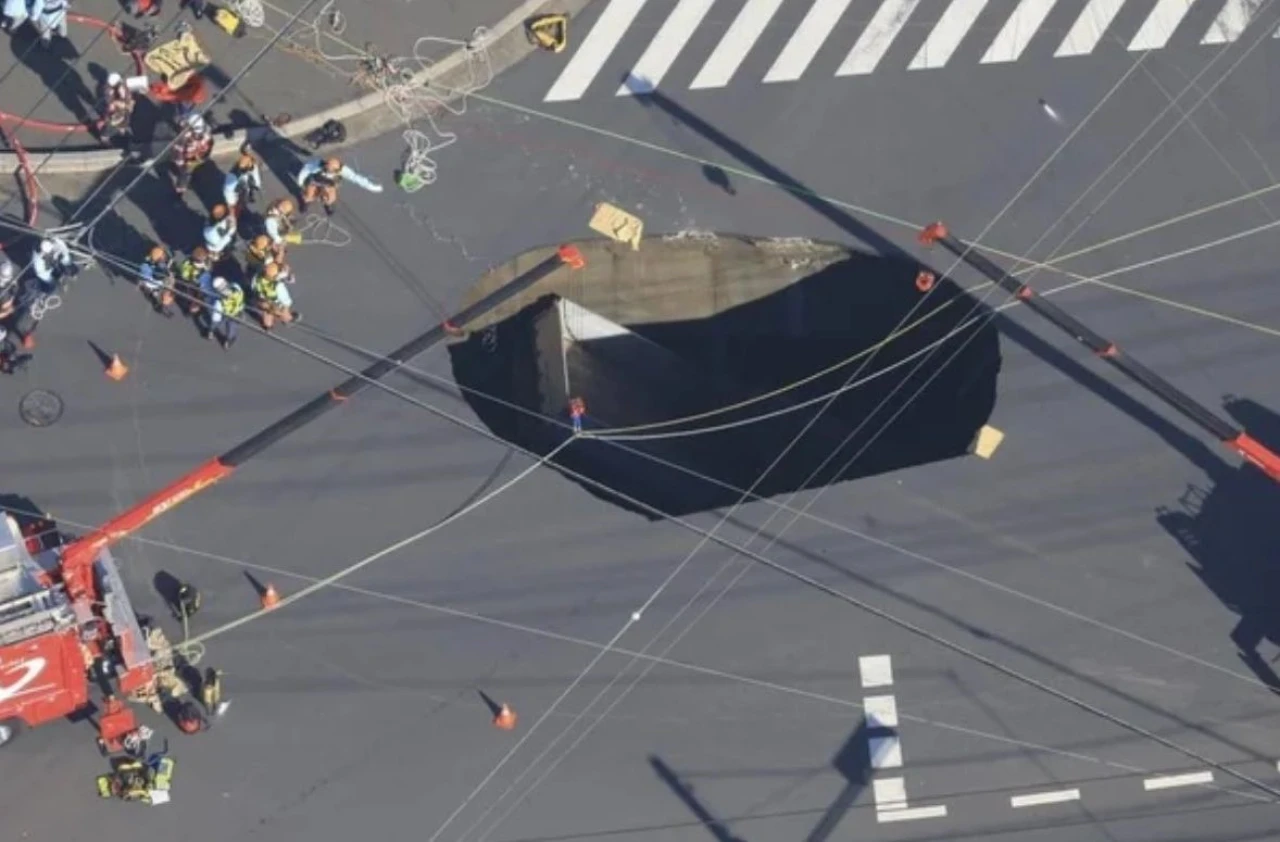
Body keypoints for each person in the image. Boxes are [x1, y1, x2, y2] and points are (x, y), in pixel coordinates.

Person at [295, 156, 382, 215]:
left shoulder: (342, 170)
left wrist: (372, 187)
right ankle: (306, 202)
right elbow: (305, 170)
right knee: (309, 195)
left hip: (329, 185)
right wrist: (300, 183)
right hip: (315, 182)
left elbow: (356, 178)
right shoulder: (316, 165)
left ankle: (327, 204)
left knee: (330, 197)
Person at [171, 113, 212, 197]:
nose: (198, 135)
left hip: (198, 157)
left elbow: (209, 143)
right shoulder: (183, 137)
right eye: (196, 132)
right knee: (183, 176)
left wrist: (204, 156)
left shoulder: (206, 130)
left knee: (196, 171)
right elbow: (178, 151)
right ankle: (179, 193)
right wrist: (182, 165)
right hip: (186, 159)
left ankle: (191, 179)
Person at [252, 262, 299, 328]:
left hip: (262, 301)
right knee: (285, 305)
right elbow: (285, 303)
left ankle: (268, 323)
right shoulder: (278, 287)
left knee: (268, 322)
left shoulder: (256, 279)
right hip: (272, 303)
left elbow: (255, 291)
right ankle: (286, 319)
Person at [202, 276, 243, 350]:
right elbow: (239, 302)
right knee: (230, 325)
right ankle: (227, 340)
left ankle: (211, 331)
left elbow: (237, 303)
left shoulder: (224, 293)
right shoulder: (235, 288)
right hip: (229, 309)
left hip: (227, 308)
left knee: (218, 319)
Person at [95, 72, 135, 146]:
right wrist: (122, 104)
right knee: (112, 126)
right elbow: (111, 106)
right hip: (115, 113)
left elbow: (129, 98)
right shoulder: (108, 92)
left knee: (125, 120)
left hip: (124, 111)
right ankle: (104, 137)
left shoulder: (123, 87)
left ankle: (122, 129)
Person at [138, 245, 176, 316]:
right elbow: (169, 276)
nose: (163, 257)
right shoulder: (159, 266)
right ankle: (161, 301)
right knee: (169, 285)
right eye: (162, 256)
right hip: (156, 283)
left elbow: (143, 274)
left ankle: (155, 297)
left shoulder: (145, 265)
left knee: (154, 290)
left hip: (151, 283)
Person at [176, 246, 213, 316]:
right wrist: (195, 276)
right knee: (195, 298)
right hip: (194, 285)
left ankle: (194, 307)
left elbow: (208, 266)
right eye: (203, 259)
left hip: (199, 282)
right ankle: (192, 309)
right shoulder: (189, 266)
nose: (205, 259)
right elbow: (186, 276)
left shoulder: (195, 262)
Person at [222, 150, 262, 215]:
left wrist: (257, 184)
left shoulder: (252, 166)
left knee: (242, 204)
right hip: (235, 194)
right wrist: (232, 202)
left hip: (244, 190)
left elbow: (255, 174)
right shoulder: (232, 177)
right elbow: (229, 191)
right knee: (234, 210)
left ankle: (240, 210)